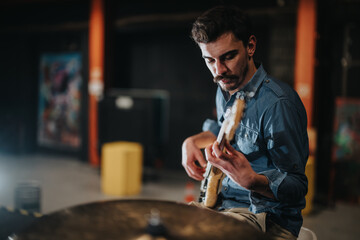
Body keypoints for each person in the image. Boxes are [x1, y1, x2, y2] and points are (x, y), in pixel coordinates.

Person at [181, 5, 309, 240]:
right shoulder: (225, 86)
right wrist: (192, 141)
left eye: (228, 57)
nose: (218, 71)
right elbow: (224, 131)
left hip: (269, 218)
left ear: (250, 46)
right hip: (224, 204)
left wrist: (253, 181)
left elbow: (298, 186)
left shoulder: (278, 105)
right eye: (209, 60)